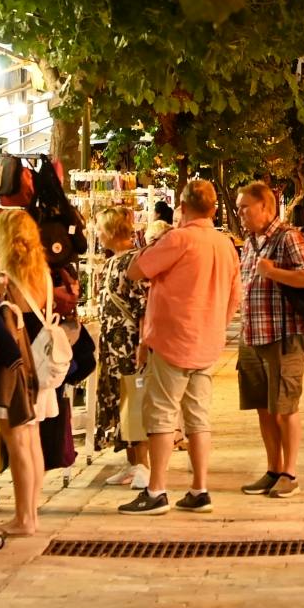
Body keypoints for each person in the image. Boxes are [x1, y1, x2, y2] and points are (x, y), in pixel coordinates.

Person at [121, 178, 240, 515]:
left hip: (173, 339)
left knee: (161, 414)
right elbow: (235, 296)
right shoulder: (225, 245)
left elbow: (135, 271)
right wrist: (216, 325)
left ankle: (157, 490)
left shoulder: (178, 239)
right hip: (207, 341)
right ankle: (199, 489)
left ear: (183, 207)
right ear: (214, 209)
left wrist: (156, 242)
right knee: (198, 417)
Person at [0, 208, 69, 536]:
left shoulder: (5, 279)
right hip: (39, 366)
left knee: (17, 440)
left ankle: (24, 518)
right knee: (31, 440)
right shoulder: (43, 274)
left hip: (16, 370)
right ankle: (30, 513)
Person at [236, 182, 304, 497]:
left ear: (265, 207)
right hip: (253, 335)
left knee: (285, 408)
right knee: (264, 408)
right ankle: (273, 469)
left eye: (245, 207)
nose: (240, 213)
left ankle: (290, 473)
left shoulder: (288, 238)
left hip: (283, 336)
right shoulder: (250, 242)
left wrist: (273, 272)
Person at [93, 206, 151, 490]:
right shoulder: (111, 262)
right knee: (120, 401)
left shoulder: (134, 262)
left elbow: (143, 306)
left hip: (128, 344)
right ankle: (132, 462)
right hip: (112, 346)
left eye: (100, 229)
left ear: (111, 231)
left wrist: (143, 343)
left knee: (133, 401)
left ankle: (143, 464)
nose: (97, 234)